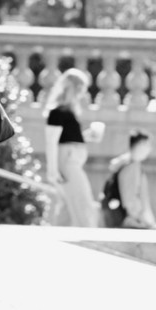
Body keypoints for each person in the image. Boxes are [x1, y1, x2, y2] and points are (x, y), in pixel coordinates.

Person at [43, 68, 103, 227]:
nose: (82, 94)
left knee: (67, 208)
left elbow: (66, 138)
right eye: (81, 89)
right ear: (74, 89)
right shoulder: (57, 112)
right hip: (67, 162)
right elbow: (51, 142)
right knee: (83, 203)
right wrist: (52, 171)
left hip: (71, 160)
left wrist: (85, 136)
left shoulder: (68, 111)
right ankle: (89, 242)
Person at [102, 128, 156, 229]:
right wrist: (141, 220)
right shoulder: (132, 166)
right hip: (130, 220)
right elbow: (129, 198)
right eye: (148, 144)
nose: (150, 149)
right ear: (141, 144)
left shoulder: (124, 163)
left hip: (121, 218)